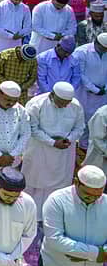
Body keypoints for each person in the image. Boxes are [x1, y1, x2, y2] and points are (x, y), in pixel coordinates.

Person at [21, 80, 85, 218]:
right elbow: (32, 128)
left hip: (64, 152)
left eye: (66, 103)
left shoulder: (75, 106)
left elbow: (80, 127)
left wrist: (69, 139)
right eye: (61, 102)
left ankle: (52, 216)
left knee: (59, 185)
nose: (64, 106)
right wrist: (52, 142)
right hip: (39, 149)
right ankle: (29, 216)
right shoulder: (36, 104)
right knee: (34, 182)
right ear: (52, 95)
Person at [39, 164, 107, 266]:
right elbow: (54, 238)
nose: (93, 199)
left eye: (97, 195)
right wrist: (95, 254)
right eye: (88, 195)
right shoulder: (57, 200)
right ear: (76, 182)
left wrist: (103, 252)